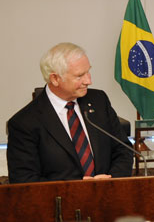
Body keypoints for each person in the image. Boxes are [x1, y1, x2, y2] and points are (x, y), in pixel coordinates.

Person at [7, 42, 133, 183]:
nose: (89, 81)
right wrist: (76, 187)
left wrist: (111, 181)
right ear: (55, 79)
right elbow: (24, 180)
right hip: (59, 202)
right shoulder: (24, 123)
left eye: (88, 71)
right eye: (79, 76)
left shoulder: (99, 100)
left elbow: (123, 149)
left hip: (109, 195)